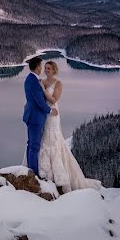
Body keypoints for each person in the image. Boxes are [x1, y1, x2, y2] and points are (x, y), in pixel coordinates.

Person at [36, 60, 100, 192]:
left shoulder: (58, 83)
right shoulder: (41, 81)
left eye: (49, 68)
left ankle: (57, 174)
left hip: (53, 114)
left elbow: (54, 100)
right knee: (43, 138)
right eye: (45, 68)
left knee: (53, 138)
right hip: (43, 113)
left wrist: (43, 89)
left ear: (54, 70)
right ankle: (43, 170)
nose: (46, 70)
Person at [22, 55, 52, 177]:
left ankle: (30, 170)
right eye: (41, 66)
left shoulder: (29, 79)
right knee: (34, 146)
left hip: (31, 115)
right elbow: (40, 102)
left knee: (30, 144)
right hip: (35, 117)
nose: (42, 68)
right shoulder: (34, 82)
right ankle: (33, 174)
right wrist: (50, 110)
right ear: (37, 67)